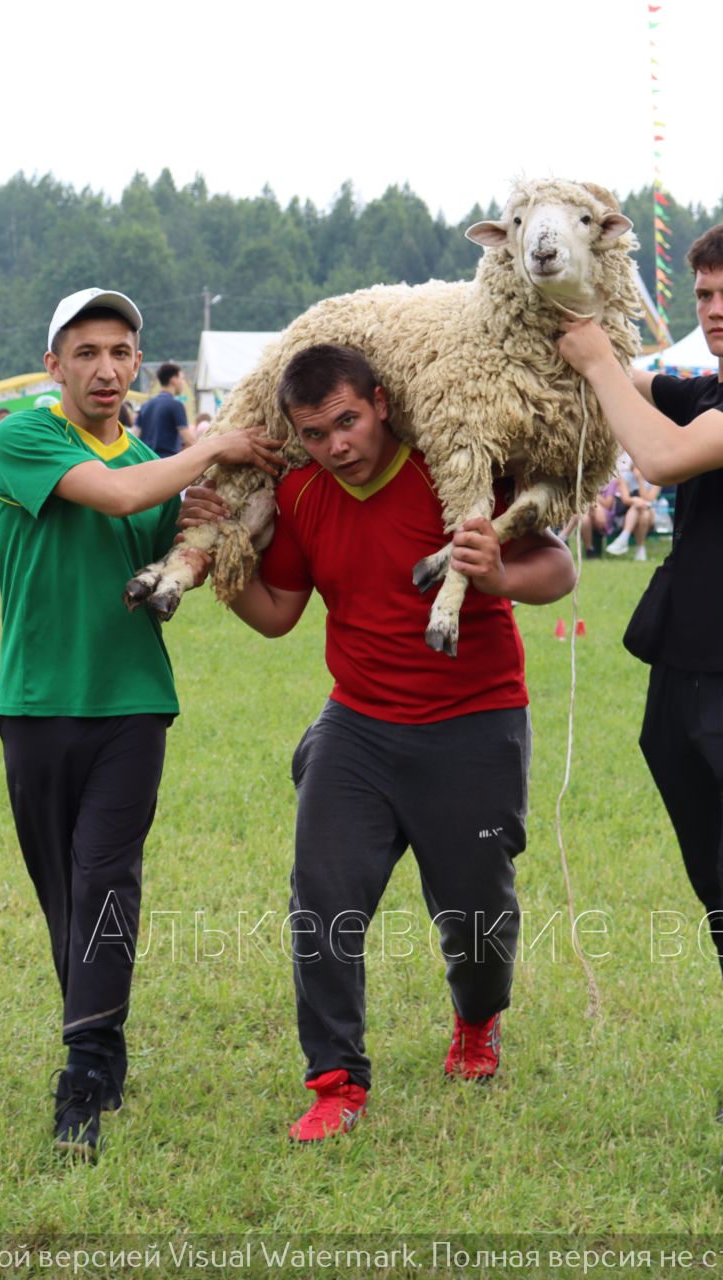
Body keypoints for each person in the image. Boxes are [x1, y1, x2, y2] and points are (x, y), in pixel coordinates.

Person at [184, 343, 573, 1144]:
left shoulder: (453, 469)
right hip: (356, 725)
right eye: (315, 433)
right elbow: (277, 613)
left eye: (348, 422)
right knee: (321, 901)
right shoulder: (302, 492)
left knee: (476, 917)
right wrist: (224, 550)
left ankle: (477, 1019)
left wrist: (497, 575)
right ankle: (336, 1081)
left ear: (383, 403)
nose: (337, 447)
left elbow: (559, 570)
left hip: (475, 722)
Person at [0, 286, 282, 1164]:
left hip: (133, 704)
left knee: (107, 878)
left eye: (120, 351)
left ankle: (82, 1074)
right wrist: (211, 450)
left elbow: (161, 544)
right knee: (64, 896)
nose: (107, 369)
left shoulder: (157, 458)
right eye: (86, 352)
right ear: (55, 366)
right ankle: (103, 1038)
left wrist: (198, 526)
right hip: (37, 701)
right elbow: (116, 498)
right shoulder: (26, 435)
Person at [558, 218, 723, 1178]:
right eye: (705, 295)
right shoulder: (712, 387)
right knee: (718, 894)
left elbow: (661, 459)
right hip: (677, 681)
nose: (715, 311)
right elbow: (638, 387)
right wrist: (572, 311)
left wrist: (596, 364)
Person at [604, 453, 660, 560]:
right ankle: (640, 550)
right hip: (629, 514)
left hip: (651, 513)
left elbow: (650, 499)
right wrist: (635, 501)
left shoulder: (655, 479)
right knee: (642, 512)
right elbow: (625, 499)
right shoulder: (625, 477)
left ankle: (623, 539)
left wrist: (640, 481)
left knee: (644, 510)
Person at [135, 362, 190, 458]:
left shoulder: (145, 406)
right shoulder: (176, 405)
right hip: (168, 463)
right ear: (174, 380)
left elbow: (134, 437)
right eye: (181, 378)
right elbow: (189, 440)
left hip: (146, 463)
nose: (182, 382)